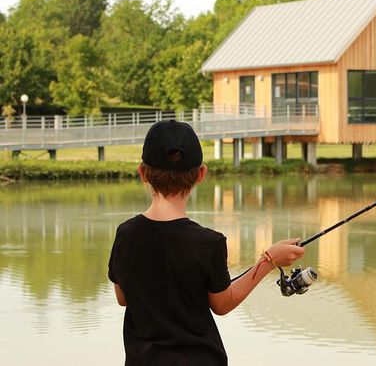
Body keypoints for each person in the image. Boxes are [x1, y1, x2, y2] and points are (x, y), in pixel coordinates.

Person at [108, 120, 305, 365]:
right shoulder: (208, 243)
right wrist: (268, 260)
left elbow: (123, 298)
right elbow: (222, 304)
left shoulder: (125, 234)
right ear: (201, 174)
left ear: (142, 173)